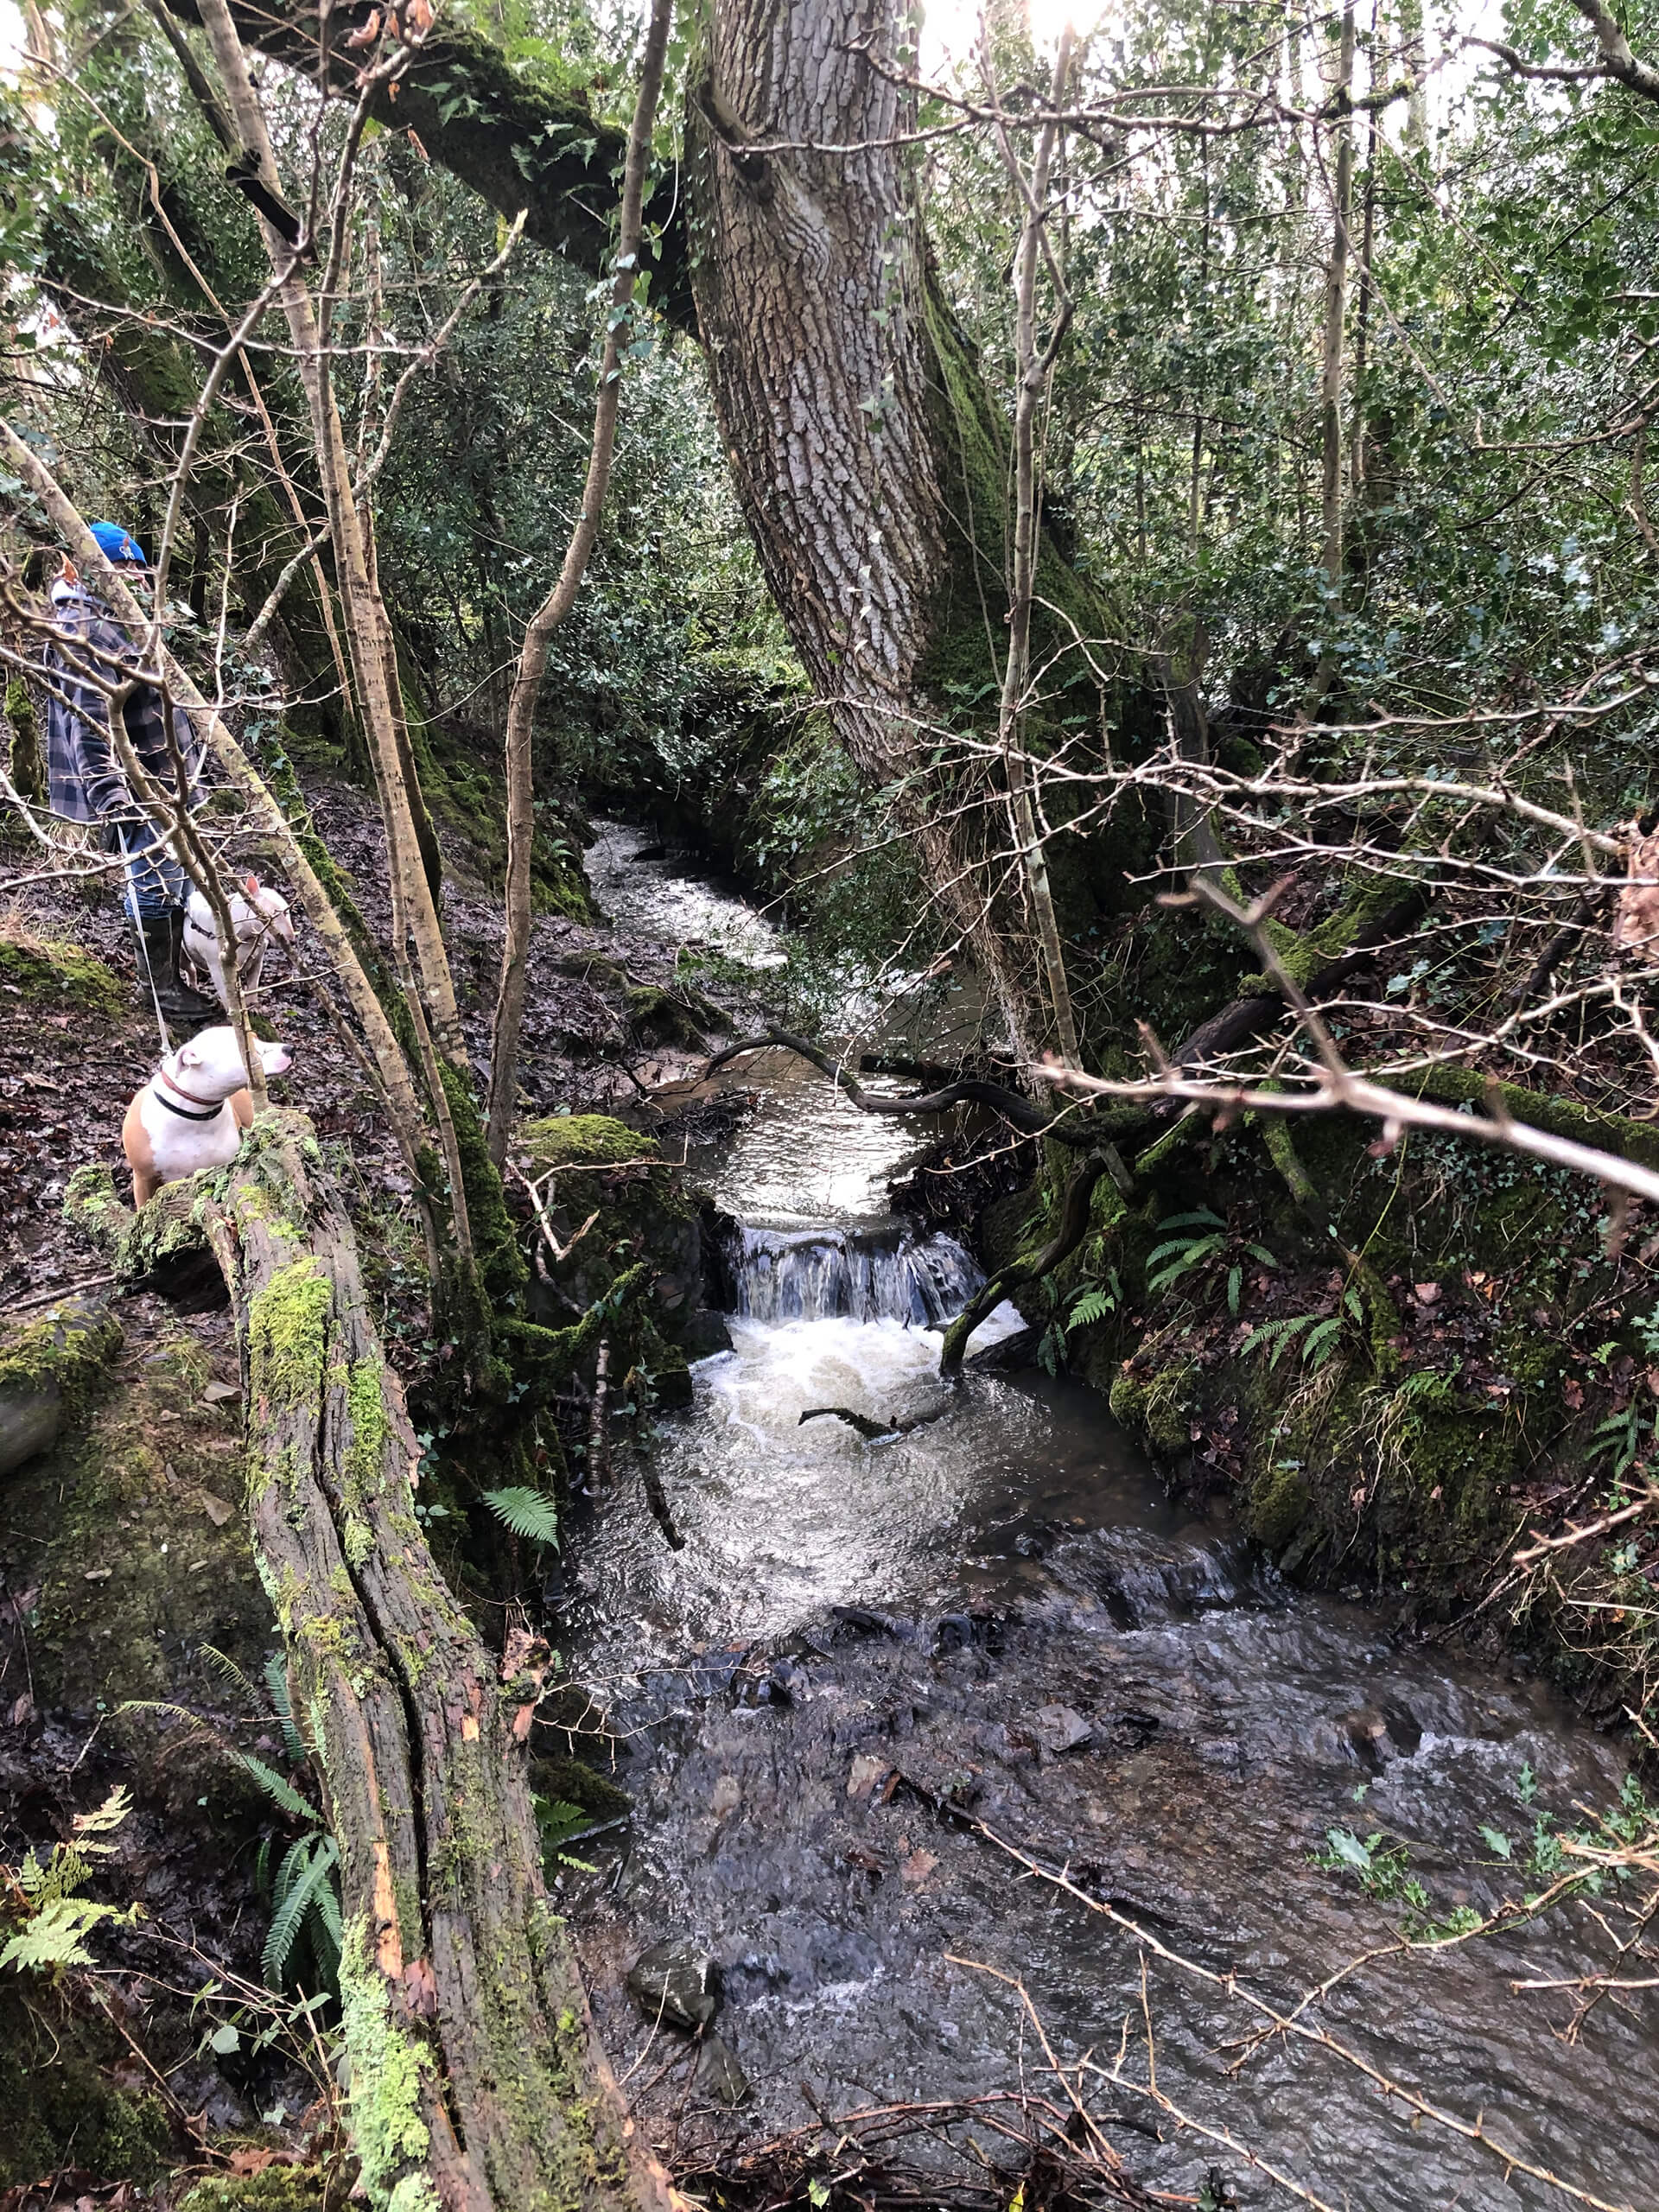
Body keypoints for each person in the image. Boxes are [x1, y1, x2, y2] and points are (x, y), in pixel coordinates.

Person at [43, 522, 217, 1025]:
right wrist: (114, 799)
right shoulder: (86, 629)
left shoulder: (119, 617)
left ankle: (170, 975)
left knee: (169, 877)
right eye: (123, 569)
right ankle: (161, 991)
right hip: (138, 787)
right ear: (94, 570)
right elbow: (90, 726)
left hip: (164, 779)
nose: (136, 580)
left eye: (139, 569)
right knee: (156, 882)